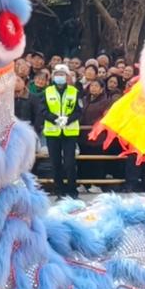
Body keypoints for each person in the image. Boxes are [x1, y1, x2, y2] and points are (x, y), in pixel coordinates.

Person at [41, 62, 81, 197]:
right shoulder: (47, 92)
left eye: (62, 74)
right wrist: (55, 119)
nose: (60, 77)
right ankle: (59, 190)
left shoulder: (74, 92)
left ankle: (72, 190)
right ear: (53, 77)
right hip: (53, 132)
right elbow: (43, 110)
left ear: (67, 76)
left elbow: (78, 111)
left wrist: (68, 119)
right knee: (55, 163)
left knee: (70, 163)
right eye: (57, 74)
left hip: (69, 132)